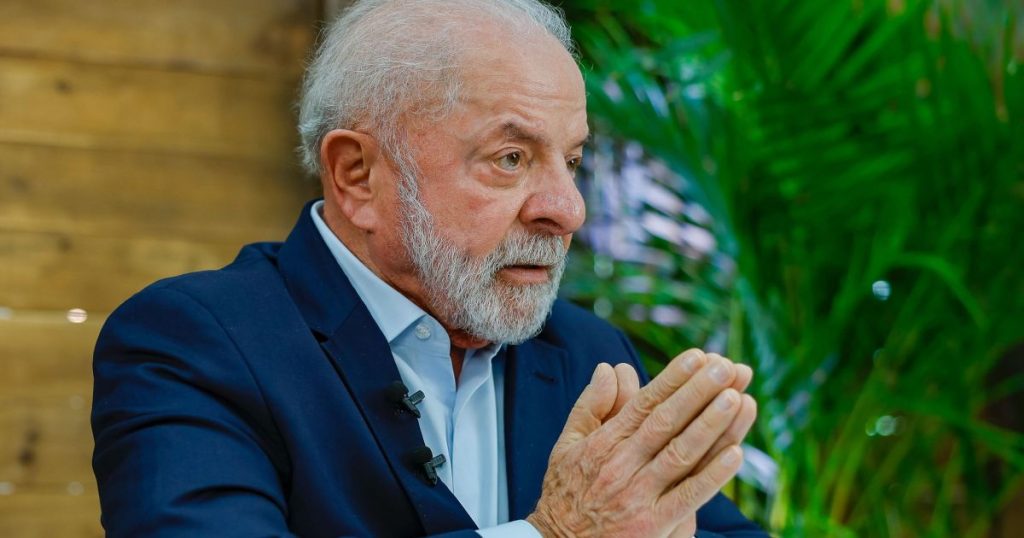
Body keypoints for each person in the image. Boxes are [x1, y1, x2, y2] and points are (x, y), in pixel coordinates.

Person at [91, 1, 767, 536]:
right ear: (357, 175)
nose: (568, 210)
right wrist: (556, 533)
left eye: (572, 161)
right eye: (511, 158)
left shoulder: (587, 353)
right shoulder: (192, 342)